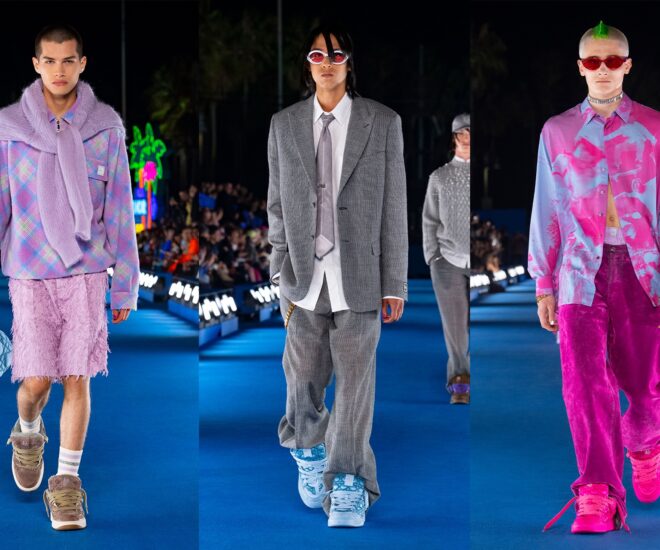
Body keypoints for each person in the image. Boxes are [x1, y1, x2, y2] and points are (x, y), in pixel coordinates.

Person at [267, 22, 408, 528]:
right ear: (307, 65)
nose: (326, 63)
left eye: (336, 54)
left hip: (361, 275)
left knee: (355, 386)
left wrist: (395, 281)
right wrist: (278, 269)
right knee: (302, 376)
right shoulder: (284, 125)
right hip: (302, 277)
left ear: (349, 61)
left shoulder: (382, 121)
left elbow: (394, 205)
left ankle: (348, 481)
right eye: (317, 55)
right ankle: (309, 450)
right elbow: (277, 204)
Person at [0, 24, 139, 531]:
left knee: (77, 376)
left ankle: (66, 484)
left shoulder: (106, 128)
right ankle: (28, 429)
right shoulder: (9, 128)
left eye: (68, 60)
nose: (59, 70)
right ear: (36, 64)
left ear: (82, 63)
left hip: (86, 271)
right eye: (50, 61)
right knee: (36, 381)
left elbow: (119, 208)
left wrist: (125, 283)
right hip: (30, 271)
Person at [529, 21, 660, 535]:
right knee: (583, 384)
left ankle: (645, 442)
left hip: (643, 270)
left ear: (627, 65)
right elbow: (546, 208)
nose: (602, 70)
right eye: (592, 61)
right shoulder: (557, 131)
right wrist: (543, 282)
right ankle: (598, 492)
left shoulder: (654, 127)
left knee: (645, 386)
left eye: (612, 61)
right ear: (580, 67)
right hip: (579, 271)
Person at [422, 113, 471, 404]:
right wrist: (433, 257)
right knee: (454, 326)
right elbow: (429, 219)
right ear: (454, 137)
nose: (468, 137)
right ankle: (460, 380)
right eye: (463, 132)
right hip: (447, 260)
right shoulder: (439, 177)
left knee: (473, 325)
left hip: (474, 259)